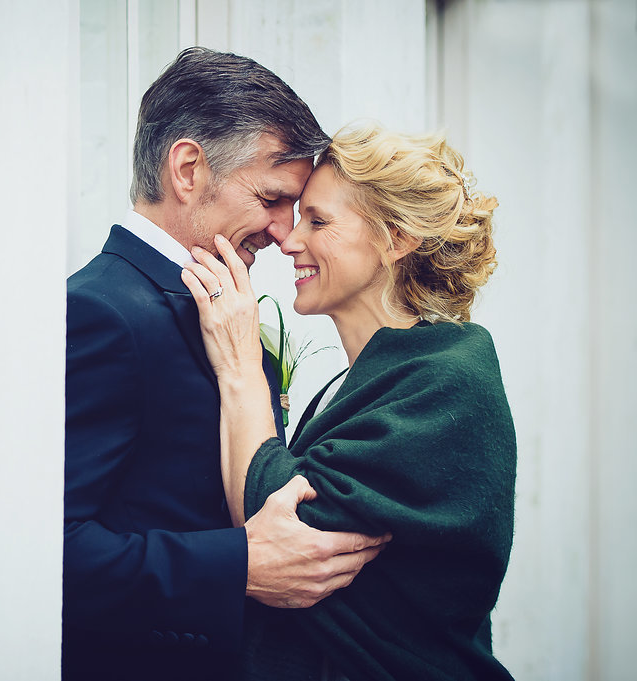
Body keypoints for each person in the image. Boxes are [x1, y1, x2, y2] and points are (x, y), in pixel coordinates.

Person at [64, 48, 389, 681]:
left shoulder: (214, 301)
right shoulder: (102, 314)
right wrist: (237, 564)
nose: (283, 231)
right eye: (272, 198)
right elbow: (46, 548)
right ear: (188, 170)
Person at [181, 122, 516, 680]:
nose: (289, 240)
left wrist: (238, 363)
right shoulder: (373, 376)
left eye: (319, 220)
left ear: (396, 239)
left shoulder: (451, 381)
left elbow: (279, 523)